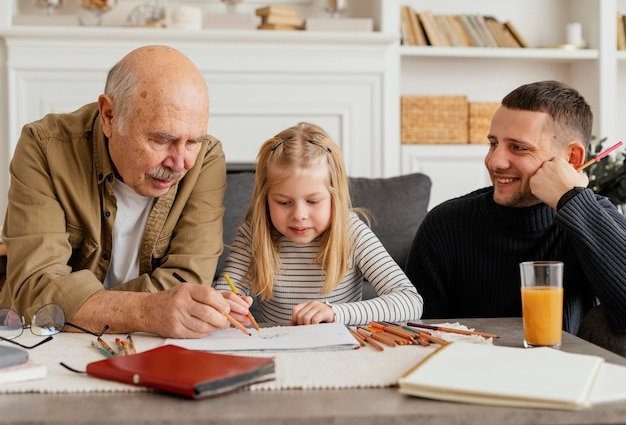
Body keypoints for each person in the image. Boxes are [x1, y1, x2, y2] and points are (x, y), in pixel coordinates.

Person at [0, 45, 233, 338]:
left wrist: (80, 304)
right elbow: (36, 290)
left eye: (192, 141)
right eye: (161, 139)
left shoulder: (205, 159)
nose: (180, 163)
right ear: (109, 115)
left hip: (149, 347)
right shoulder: (43, 147)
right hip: (43, 344)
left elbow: (187, 281)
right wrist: (148, 310)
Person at [405, 80, 626, 342]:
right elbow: (416, 333)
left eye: (519, 148)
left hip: (563, 375)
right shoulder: (445, 224)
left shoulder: (590, 216)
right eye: (493, 143)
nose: (495, 161)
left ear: (572, 159)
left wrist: (572, 199)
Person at [214, 122, 423, 326]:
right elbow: (225, 296)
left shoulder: (352, 233)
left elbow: (411, 301)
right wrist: (227, 307)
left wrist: (335, 313)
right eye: (284, 202)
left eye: (313, 201)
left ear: (336, 197)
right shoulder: (254, 234)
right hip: (280, 352)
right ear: (265, 199)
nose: (299, 215)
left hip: (341, 353)